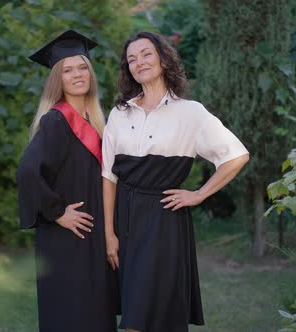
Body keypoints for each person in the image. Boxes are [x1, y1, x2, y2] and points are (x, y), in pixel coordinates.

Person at [102, 31, 250, 332]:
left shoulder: (190, 113)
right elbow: (108, 175)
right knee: (133, 309)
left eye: (145, 54)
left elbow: (236, 155)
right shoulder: (119, 113)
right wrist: (109, 233)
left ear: (162, 58)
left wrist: (199, 194)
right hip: (126, 218)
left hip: (164, 219)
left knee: (153, 316)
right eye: (131, 59)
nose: (139, 62)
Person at [16, 29, 118, 332]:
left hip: (91, 235)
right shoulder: (56, 121)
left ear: (91, 72)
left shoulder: (96, 121)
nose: (77, 75)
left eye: (82, 67)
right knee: (72, 315)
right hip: (66, 240)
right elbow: (27, 172)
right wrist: (57, 212)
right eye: (67, 70)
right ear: (57, 80)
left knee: (95, 313)